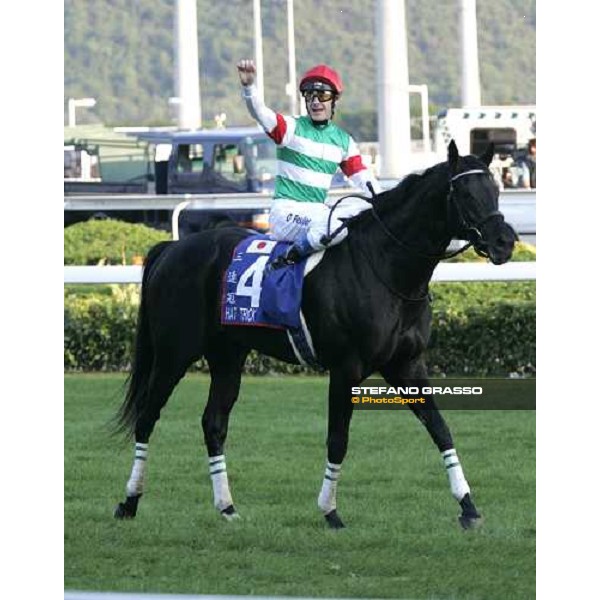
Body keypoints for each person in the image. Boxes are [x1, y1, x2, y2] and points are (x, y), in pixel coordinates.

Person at [237, 58, 382, 267]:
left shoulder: (344, 141)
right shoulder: (290, 128)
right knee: (334, 226)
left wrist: (386, 203)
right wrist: (249, 86)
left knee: (360, 211)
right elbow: (260, 112)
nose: (315, 101)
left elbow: (365, 180)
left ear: (334, 100)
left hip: (317, 213)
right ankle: (290, 257)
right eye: (309, 95)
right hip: (286, 214)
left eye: (322, 95)